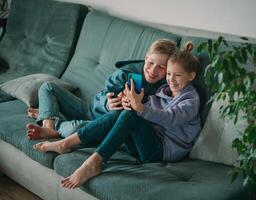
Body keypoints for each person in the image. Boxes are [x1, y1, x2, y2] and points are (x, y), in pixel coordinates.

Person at [33, 42, 202, 189]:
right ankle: (64, 143)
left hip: (160, 151)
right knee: (125, 113)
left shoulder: (191, 100)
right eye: (169, 75)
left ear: (191, 76)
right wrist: (127, 102)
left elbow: (169, 117)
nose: (171, 79)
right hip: (133, 138)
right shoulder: (162, 89)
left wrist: (139, 107)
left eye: (176, 75)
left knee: (130, 115)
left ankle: (93, 162)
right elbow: (109, 96)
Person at [26, 39, 177, 140]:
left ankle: (51, 116)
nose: (153, 70)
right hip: (89, 108)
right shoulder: (126, 73)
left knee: (77, 129)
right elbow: (102, 94)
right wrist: (107, 103)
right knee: (48, 87)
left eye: (161, 67)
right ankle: (48, 125)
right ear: (146, 57)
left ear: (168, 69)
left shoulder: (165, 87)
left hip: (101, 124)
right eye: (150, 63)